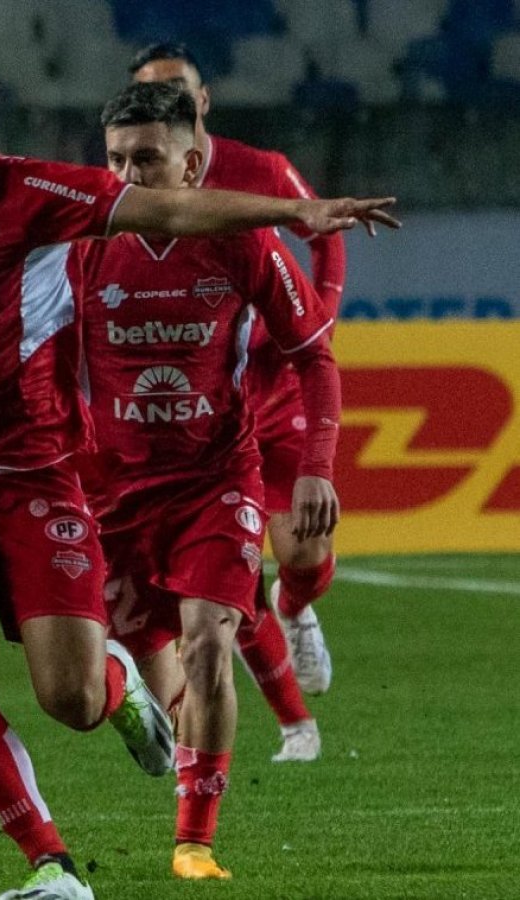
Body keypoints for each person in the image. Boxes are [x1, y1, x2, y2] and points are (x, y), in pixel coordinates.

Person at [0, 36, 394, 900]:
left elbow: (165, 214)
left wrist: (289, 216)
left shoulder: (35, 194)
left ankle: (122, 696)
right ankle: (53, 868)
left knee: (72, 700)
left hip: (37, 478)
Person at [72, 81, 343, 880]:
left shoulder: (244, 243)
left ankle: (194, 844)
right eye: (115, 159)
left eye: (146, 159)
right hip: (110, 493)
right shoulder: (82, 242)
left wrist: (316, 469)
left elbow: (313, 354)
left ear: (193, 163)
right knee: (110, 698)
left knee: (208, 648)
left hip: (214, 481)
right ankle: (131, 703)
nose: (127, 176)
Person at [133, 42, 344, 762]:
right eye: (150, 93)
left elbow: (321, 229)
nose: (165, 103)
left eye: (176, 92)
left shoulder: (261, 171)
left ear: (204, 98)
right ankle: (295, 727)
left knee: (303, 555)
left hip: (274, 391)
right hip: (209, 419)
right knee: (226, 586)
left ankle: (299, 607)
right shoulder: (130, 198)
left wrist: (323, 311)